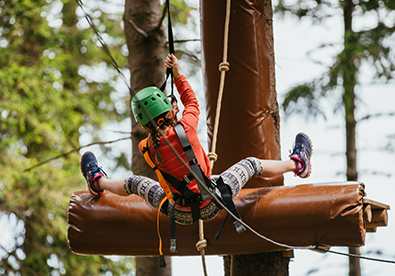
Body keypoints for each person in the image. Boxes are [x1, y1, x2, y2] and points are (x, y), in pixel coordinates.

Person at [79, 54, 313, 226]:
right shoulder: (186, 126)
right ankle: (298, 164)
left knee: (134, 183)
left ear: (142, 125)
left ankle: (97, 182)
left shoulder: (147, 148)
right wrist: (177, 74)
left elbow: (166, 136)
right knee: (251, 164)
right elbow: (192, 102)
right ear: (171, 111)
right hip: (212, 201)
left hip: (177, 211)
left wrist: (171, 112)